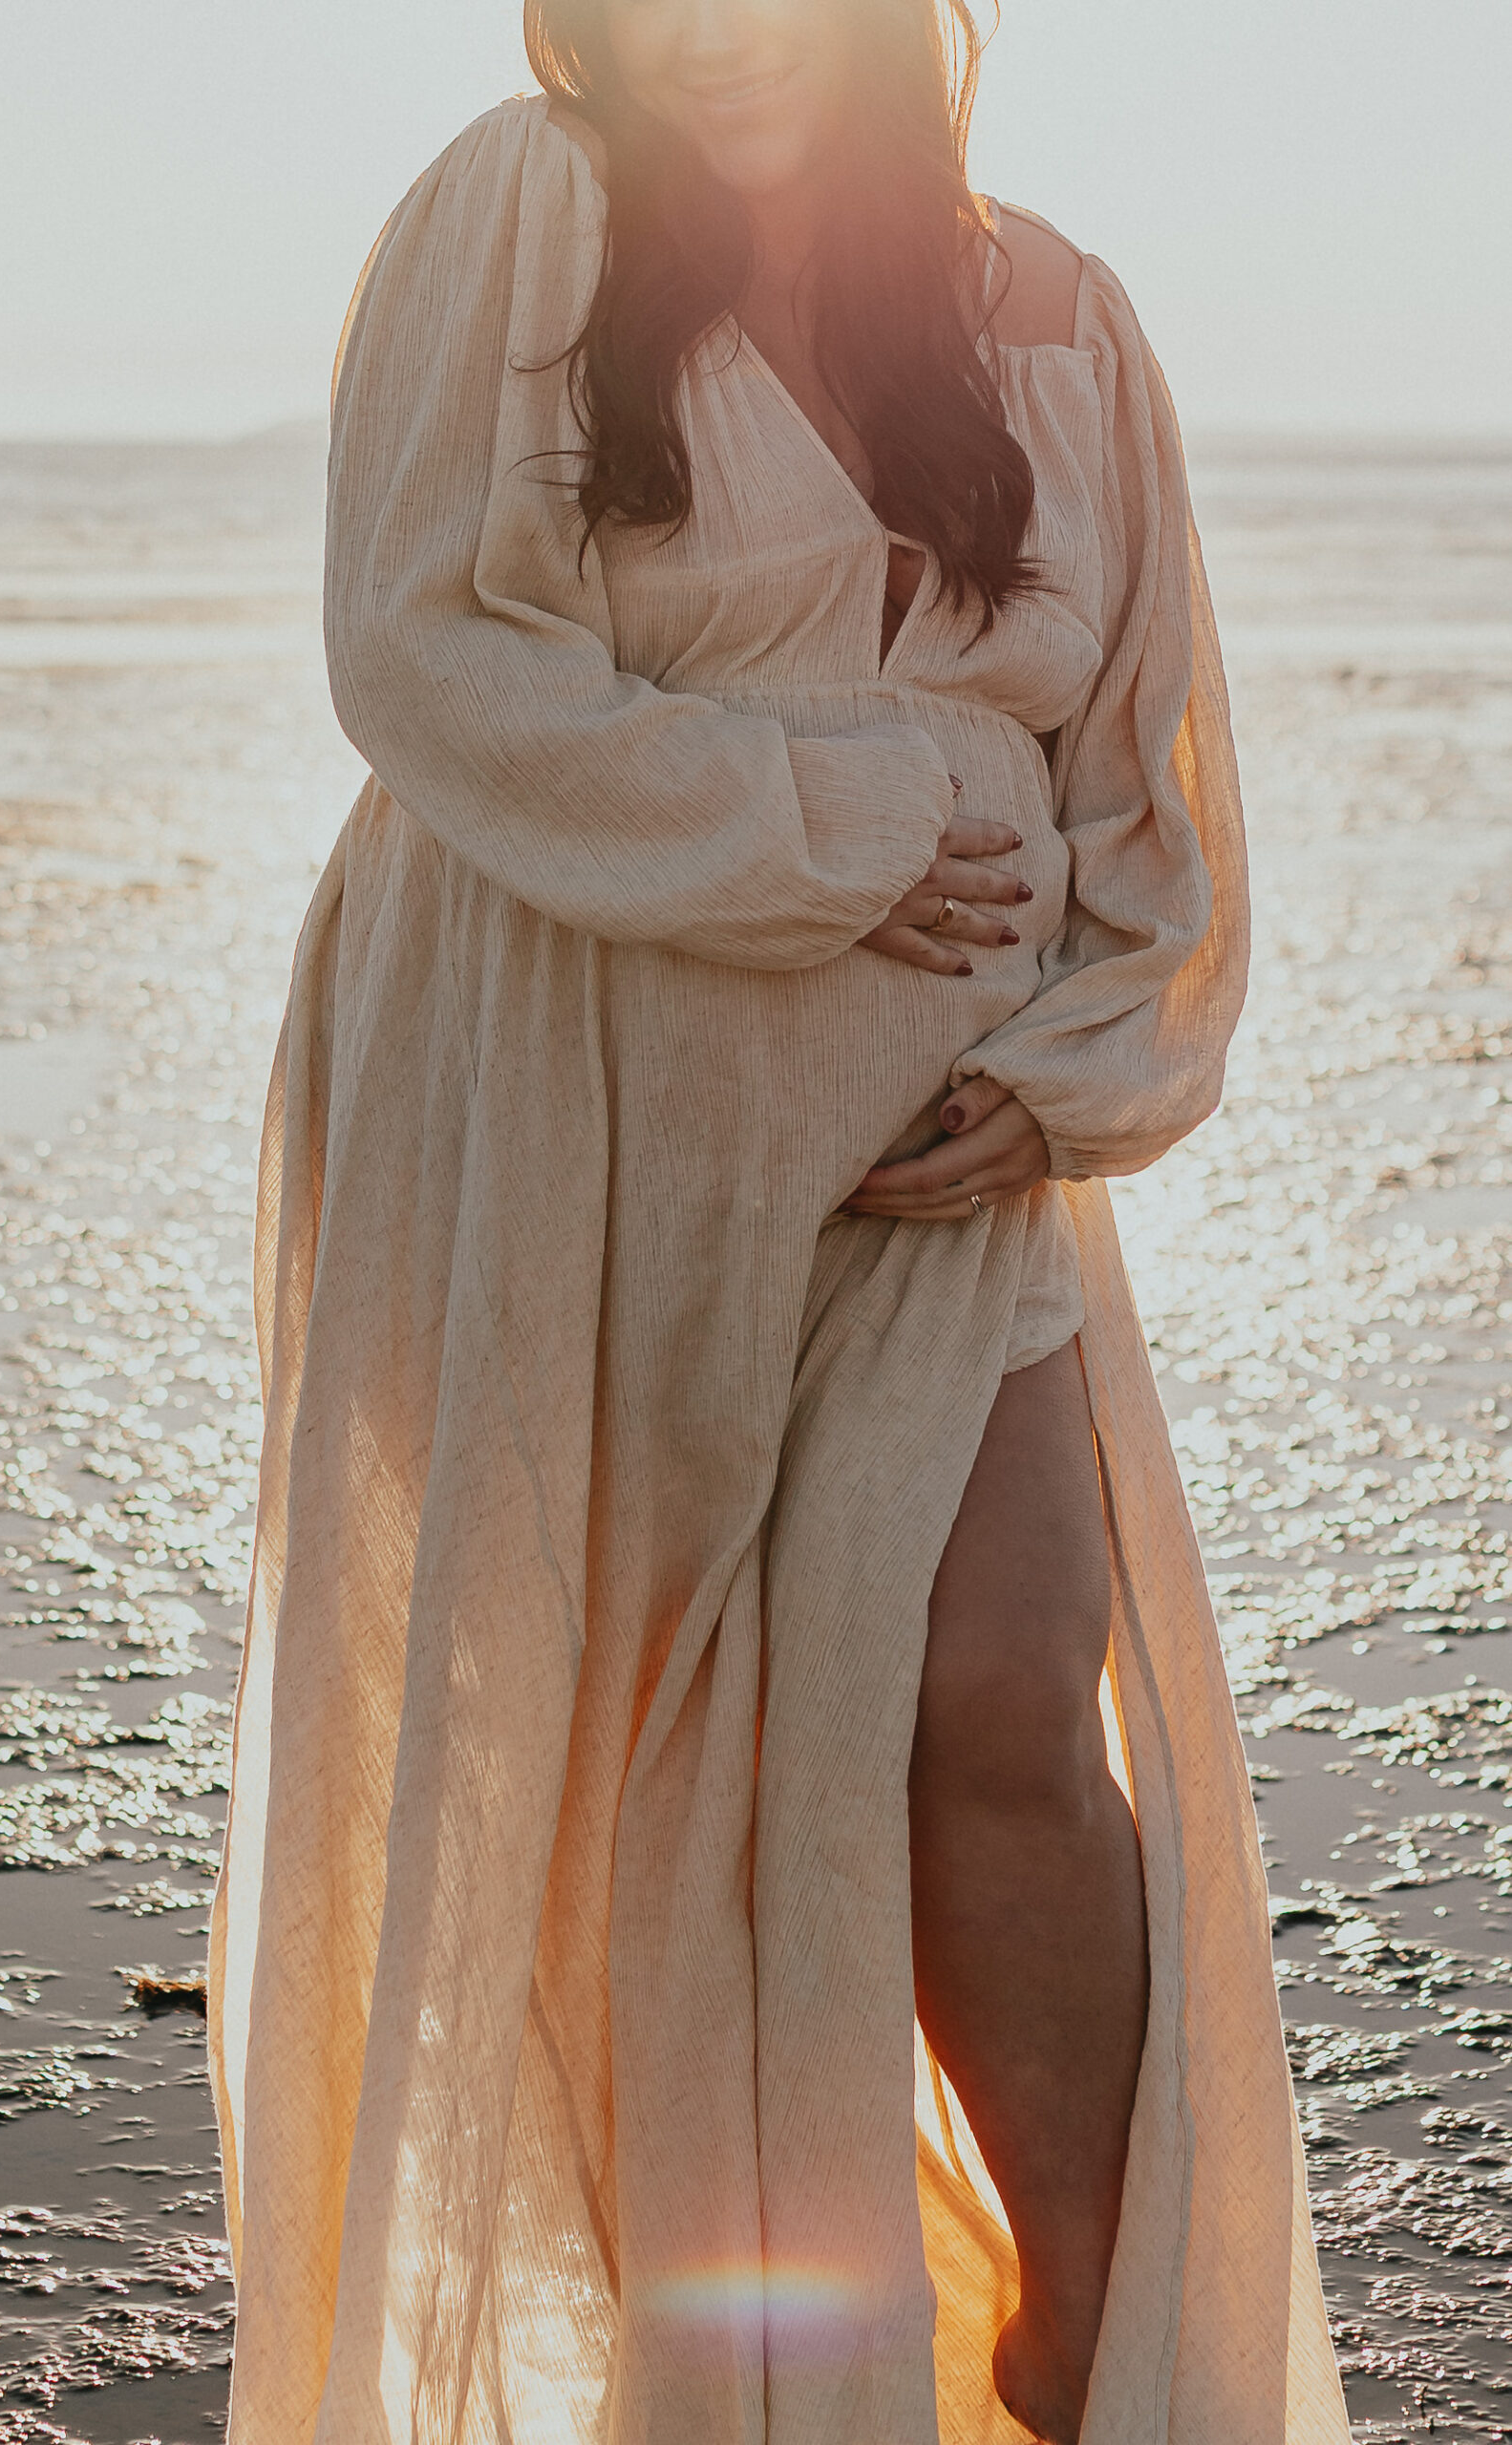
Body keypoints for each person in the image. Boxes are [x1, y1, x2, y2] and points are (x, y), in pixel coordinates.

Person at [209, 4, 1351, 2440]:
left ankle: (1081, 2339)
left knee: (1001, 1700)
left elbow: (1150, 797)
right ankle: (746, 2389)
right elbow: (416, 652)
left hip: (941, 1137)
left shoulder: (1051, 312)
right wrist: (827, 832)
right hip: (559, 1123)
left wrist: (1071, 1077)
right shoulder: (519, 212)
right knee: (638, 1794)